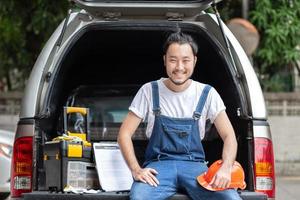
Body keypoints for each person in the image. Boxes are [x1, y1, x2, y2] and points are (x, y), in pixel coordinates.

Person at [117, 31, 241, 200]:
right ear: (165, 61)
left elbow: (229, 136)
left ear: (195, 61)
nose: (179, 67)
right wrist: (136, 169)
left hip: (196, 168)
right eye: (173, 60)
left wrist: (226, 168)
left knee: (230, 198)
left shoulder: (207, 93)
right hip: (158, 168)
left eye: (185, 60)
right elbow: (124, 134)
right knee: (138, 197)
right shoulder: (149, 90)